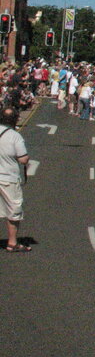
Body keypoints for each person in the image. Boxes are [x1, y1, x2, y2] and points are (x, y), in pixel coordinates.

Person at [0, 106, 30, 252]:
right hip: (8, 178)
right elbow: (23, 159)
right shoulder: (15, 136)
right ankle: (12, 242)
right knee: (13, 210)